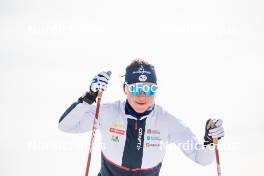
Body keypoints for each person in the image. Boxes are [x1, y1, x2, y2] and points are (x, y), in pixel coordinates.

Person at [58, 59, 225, 176]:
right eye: (136, 89)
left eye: (149, 89)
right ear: (125, 89)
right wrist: (90, 96)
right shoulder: (108, 113)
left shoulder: (166, 122)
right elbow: (66, 126)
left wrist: (210, 141)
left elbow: (202, 158)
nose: (142, 96)